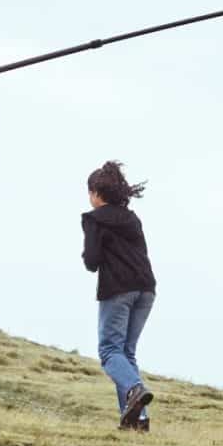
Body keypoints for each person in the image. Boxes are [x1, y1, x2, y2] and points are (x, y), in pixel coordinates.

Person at [81, 159, 157, 431]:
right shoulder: (132, 218)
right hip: (146, 289)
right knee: (126, 353)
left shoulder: (93, 219)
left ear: (97, 194)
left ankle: (135, 390)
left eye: (89, 192)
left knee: (110, 350)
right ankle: (138, 419)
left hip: (118, 289)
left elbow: (91, 261)